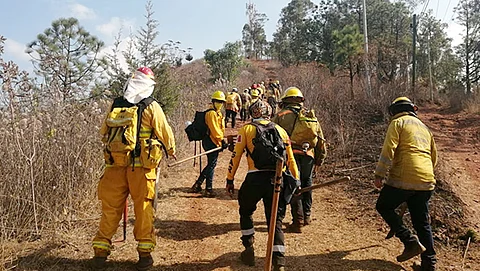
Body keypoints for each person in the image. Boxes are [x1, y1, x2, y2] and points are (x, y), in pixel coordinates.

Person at [93, 67, 176, 270]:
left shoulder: (117, 104)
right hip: (141, 170)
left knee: (110, 210)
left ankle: (100, 254)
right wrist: (171, 149)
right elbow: (165, 132)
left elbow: (104, 132)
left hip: (114, 167)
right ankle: (145, 256)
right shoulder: (151, 105)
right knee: (144, 209)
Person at [226, 100, 299, 271]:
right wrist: (296, 181)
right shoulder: (281, 131)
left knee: (246, 210)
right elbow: (290, 159)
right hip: (277, 179)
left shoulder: (246, 130)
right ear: (269, 112)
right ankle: (279, 261)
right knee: (275, 220)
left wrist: (230, 179)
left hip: (254, 178)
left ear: (252, 113)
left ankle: (248, 248)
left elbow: (235, 156)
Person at [374, 97, 437, 271]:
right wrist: (424, 176)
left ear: (394, 111)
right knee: (422, 223)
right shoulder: (425, 128)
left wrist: (379, 174)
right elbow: (434, 157)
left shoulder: (398, 123)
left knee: (384, 206)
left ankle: (409, 241)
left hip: (403, 178)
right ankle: (429, 264)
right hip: (426, 181)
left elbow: (388, 150)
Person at [272, 87, 327, 233]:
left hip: (290, 155)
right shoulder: (310, 116)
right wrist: (319, 160)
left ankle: (298, 221)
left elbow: (272, 136)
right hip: (308, 156)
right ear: (301, 100)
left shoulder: (281, 116)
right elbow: (321, 140)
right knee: (307, 183)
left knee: (293, 184)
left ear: (285, 100)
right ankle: (307, 215)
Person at [191, 90, 228, 197]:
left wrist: (220, 141)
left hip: (215, 141)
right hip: (209, 141)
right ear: (213, 101)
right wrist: (221, 140)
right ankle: (208, 189)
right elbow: (214, 130)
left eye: (221, 102)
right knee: (211, 164)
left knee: (211, 164)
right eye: (218, 101)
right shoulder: (211, 113)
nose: (220, 104)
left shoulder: (219, 113)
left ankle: (198, 184)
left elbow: (220, 129)